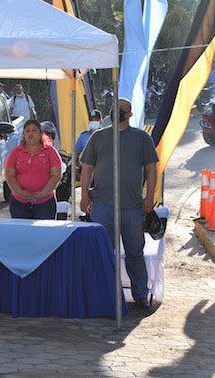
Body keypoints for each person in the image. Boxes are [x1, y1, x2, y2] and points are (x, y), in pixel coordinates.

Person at [80, 98, 158, 310]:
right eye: (114, 108)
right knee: (104, 253)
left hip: (132, 207)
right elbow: (87, 168)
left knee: (135, 253)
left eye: (121, 109)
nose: (117, 112)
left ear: (130, 114)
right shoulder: (98, 137)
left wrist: (149, 197)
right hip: (102, 205)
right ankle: (103, 294)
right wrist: (84, 195)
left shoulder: (141, 138)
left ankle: (140, 295)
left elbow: (151, 168)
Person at [4, 119, 62, 219]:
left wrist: (42, 193)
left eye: (34, 130)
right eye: (27, 131)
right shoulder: (15, 152)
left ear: (40, 134)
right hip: (19, 203)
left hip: (45, 203)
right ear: (23, 134)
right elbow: (9, 175)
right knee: (22, 229)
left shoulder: (50, 151)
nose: (30, 133)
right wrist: (20, 192)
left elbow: (56, 175)